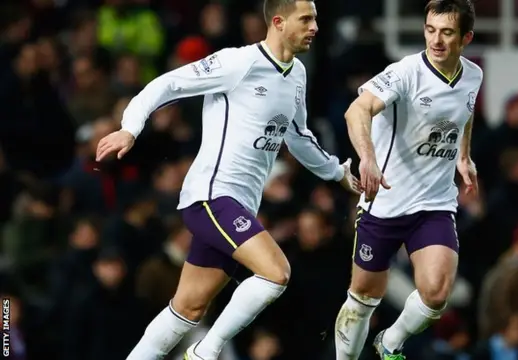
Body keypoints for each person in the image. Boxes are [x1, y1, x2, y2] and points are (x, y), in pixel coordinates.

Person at [95, 1, 361, 359]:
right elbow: (169, 83)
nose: (315, 26)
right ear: (279, 22)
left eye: (316, 17)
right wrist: (130, 127)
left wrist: (337, 172)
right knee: (276, 273)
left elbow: (298, 136)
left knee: (187, 309)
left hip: (239, 207)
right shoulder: (239, 62)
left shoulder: (296, 72)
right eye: (307, 19)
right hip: (212, 196)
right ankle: (206, 352)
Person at [332, 1, 483, 359]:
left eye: (447, 33)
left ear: (466, 38)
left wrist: (464, 156)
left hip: (434, 204)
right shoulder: (404, 72)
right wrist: (367, 158)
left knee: (437, 293)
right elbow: (357, 110)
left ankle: (389, 342)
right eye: (431, 30)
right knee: (363, 297)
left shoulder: (473, 75)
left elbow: (465, 111)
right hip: (384, 202)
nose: (437, 40)